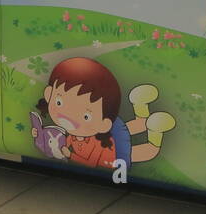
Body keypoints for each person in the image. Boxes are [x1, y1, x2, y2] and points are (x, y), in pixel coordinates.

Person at [31, 57, 175, 169]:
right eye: (59, 103)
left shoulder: (88, 138)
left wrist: (71, 155)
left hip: (113, 156)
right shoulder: (77, 134)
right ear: (49, 94)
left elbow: (91, 162)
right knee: (125, 129)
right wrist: (41, 135)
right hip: (105, 133)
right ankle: (140, 106)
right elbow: (62, 138)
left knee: (148, 151)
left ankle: (156, 130)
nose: (68, 116)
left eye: (85, 116)